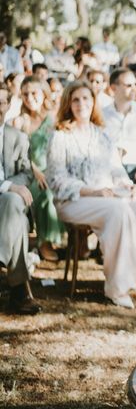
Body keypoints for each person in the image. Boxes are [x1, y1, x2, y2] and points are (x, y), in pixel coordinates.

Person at [47, 81, 136, 308]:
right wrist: (95, 191)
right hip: (73, 200)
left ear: (94, 102)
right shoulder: (60, 135)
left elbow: (115, 168)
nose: (81, 104)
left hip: (105, 196)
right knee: (118, 211)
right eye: (76, 99)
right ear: (68, 103)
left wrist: (125, 185)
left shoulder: (101, 134)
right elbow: (57, 180)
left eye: (86, 98)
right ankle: (116, 287)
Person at [11, 76, 65, 262]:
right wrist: (35, 170)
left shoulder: (53, 118)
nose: (29, 97)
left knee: (61, 189)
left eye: (34, 93)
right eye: (25, 94)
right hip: (29, 171)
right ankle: (44, 242)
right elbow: (18, 153)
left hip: (53, 168)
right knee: (44, 193)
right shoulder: (19, 121)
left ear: (43, 94)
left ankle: (74, 240)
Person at [0, 86, 41, 315]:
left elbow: (26, 172)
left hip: (8, 205)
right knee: (14, 204)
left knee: (13, 202)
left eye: (1, 103)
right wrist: (8, 185)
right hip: (8, 200)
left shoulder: (18, 137)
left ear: (8, 106)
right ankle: (19, 291)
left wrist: (12, 188)